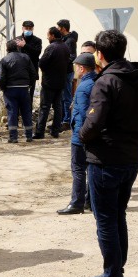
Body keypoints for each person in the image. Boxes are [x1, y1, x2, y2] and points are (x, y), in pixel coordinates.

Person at [78, 30, 138, 277]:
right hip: (130, 156)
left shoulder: (105, 82)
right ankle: (115, 270)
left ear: (100, 54)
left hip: (106, 159)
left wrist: (82, 136)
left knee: (105, 219)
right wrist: (129, 127)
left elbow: (93, 123)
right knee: (117, 215)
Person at [57, 52, 99, 215]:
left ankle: (76, 203)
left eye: (76, 67)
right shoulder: (98, 81)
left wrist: (81, 134)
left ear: (82, 68)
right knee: (91, 168)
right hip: (94, 134)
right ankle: (90, 201)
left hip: (81, 134)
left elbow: (83, 113)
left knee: (78, 169)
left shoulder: (83, 87)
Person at [0, 38, 36, 143]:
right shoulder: (25, 57)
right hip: (24, 88)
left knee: (12, 112)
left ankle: (13, 137)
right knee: (26, 112)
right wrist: (29, 85)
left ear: (7, 49)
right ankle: (29, 135)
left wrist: (3, 88)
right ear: (17, 47)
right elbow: (33, 73)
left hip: (10, 89)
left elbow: (1, 77)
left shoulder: (4, 60)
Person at [36, 27, 75, 140]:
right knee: (58, 107)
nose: (47, 37)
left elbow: (42, 62)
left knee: (45, 107)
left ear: (52, 35)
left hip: (49, 82)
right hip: (61, 81)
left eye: (48, 35)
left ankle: (40, 132)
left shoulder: (51, 47)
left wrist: (47, 71)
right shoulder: (65, 47)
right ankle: (55, 131)